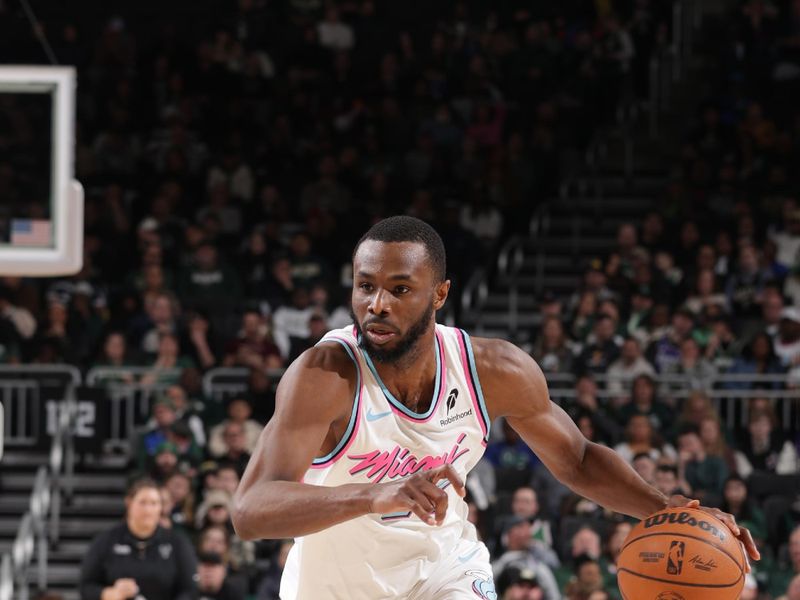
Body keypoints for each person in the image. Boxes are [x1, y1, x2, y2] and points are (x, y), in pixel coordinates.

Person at [231, 217, 758, 599]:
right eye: (365, 287)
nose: (378, 304)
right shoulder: (323, 376)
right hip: (333, 588)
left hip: (446, 571)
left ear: (439, 294)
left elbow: (576, 459)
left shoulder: (494, 369)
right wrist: (374, 493)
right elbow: (250, 510)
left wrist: (671, 512)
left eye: (399, 289)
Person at [79, 478, 197, 600]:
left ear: (160, 508)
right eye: (142, 502)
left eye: (154, 503)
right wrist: (110, 593)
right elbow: (86, 587)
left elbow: (190, 590)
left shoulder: (177, 542)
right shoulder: (106, 540)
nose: (148, 510)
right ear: (129, 503)